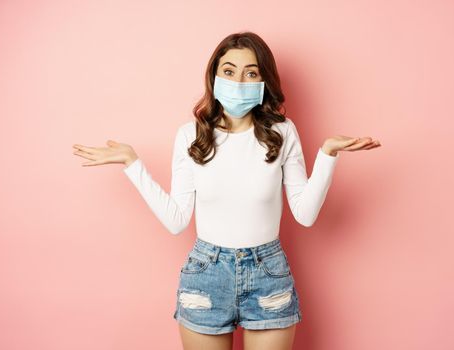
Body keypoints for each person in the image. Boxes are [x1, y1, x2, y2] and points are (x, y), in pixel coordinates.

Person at [72, 31, 380, 350]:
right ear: (215, 76)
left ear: (264, 83)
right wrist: (132, 163)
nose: (238, 82)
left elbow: (305, 214)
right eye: (229, 71)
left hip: (268, 274)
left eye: (251, 73)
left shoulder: (282, 133)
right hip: (206, 274)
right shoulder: (189, 135)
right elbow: (176, 220)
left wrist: (328, 154)